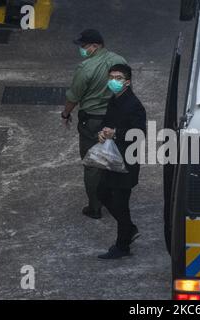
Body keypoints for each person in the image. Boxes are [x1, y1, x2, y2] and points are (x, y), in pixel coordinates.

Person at [62, 29, 127, 219]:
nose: (82, 50)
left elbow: (74, 96)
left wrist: (65, 114)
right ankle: (115, 197)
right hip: (114, 119)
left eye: (84, 46)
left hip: (92, 121)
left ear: (95, 46)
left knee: (92, 164)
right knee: (112, 157)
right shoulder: (120, 61)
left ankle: (95, 206)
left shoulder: (86, 68)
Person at [97, 64, 147, 260]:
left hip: (126, 161)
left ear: (127, 82)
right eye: (111, 77)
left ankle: (122, 245)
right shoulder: (114, 100)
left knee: (120, 201)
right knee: (102, 192)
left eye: (117, 77)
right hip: (112, 157)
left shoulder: (134, 105)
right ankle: (129, 229)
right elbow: (106, 122)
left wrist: (116, 133)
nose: (113, 81)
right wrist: (102, 132)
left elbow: (140, 134)